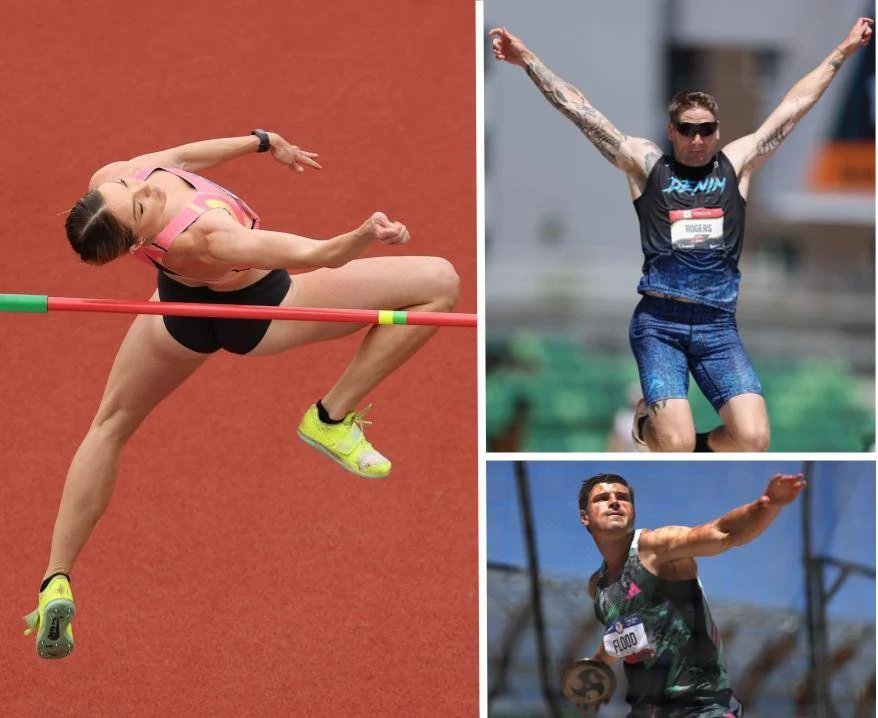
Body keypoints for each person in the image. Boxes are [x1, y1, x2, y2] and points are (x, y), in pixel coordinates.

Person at [23, 129, 460, 658]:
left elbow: (179, 158)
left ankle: (55, 580)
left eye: (131, 185)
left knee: (110, 424)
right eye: (140, 206)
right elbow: (317, 254)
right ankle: (330, 417)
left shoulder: (114, 179)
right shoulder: (211, 237)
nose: (145, 189)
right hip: (260, 312)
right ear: (136, 241)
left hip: (177, 311)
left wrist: (259, 141)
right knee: (440, 282)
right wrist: (366, 231)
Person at [489, 18, 873, 453]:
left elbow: (796, 104)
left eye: (705, 129)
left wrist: (843, 50)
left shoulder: (737, 165)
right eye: (687, 129)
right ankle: (650, 427)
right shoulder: (647, 165)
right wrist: (529, 61)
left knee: (754, 439)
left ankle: (683, 443)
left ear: (718, 131)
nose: (696, 138)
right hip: (661, 326)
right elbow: (579, 109)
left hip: (718, 327)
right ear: (671, 131)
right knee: (674, 442)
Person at [578, 471, 806, 716]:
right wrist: (597, 666)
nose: (614, 501)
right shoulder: (598, 586)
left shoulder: (657, 547)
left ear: (633, 511)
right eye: (602, 498)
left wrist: (769, 504)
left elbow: (724, 532)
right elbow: (624, 631)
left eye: (623, 497)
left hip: (703, 706)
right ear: (585, 517)